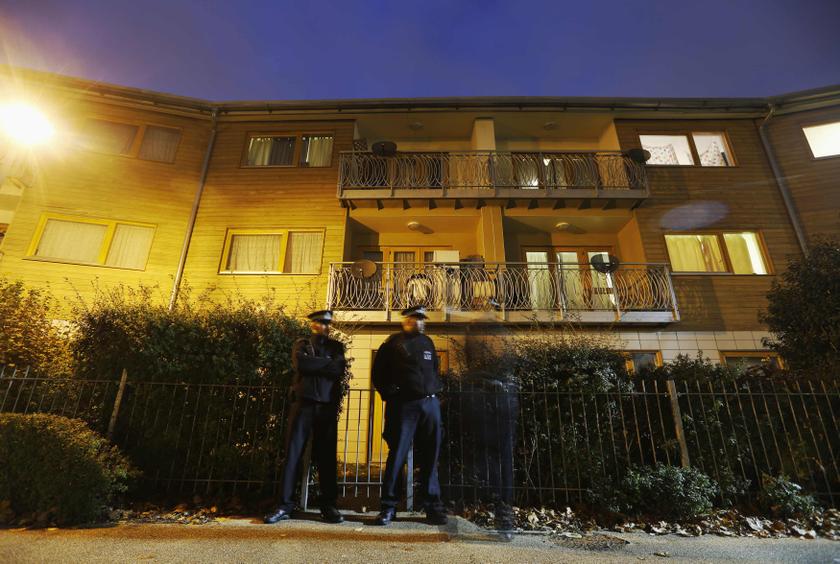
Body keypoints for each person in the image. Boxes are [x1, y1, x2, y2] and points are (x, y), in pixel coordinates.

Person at [264, 310, 346, 524]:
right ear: (313, 325)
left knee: (326, 458)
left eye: (328, 324)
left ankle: (328, 506)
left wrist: (315, 363)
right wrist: (323, 364)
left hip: (326, 407)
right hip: (303, 405)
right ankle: (284, 505)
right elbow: (302, 364)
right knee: (293, 455)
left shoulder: (336, 347)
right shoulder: (301, 344)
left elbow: (338, 369)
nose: (326, 327)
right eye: (321, 323)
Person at [371, 305, 448, 526]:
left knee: (430, 457)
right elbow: (378, 373)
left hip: (429, 405)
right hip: (404, 406)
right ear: (406, 320)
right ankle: (388, 508)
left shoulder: (428, 343)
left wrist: (436, 392)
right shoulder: (393, 342)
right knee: (397, 456)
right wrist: (389, 393)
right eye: (416, 319)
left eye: (423, 319)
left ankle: (433, 508)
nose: (421, 322)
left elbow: (434, 369)